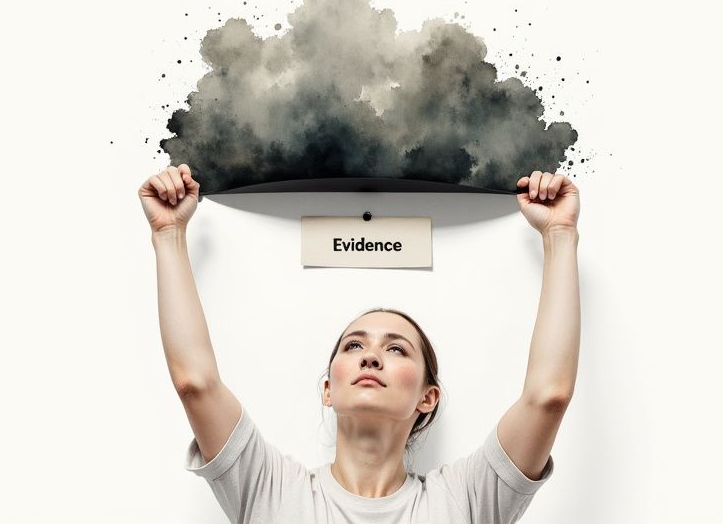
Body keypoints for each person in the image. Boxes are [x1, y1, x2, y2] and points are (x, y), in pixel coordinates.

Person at [138, 164, 581, 523]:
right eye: (352, 346)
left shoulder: (464, 499)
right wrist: (168, 235)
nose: (371, 355)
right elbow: (195, 382)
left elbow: (548, 397)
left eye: (396, 349)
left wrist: (559, 235)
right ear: (329, 388)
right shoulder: (272, 490)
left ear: (428, 397)